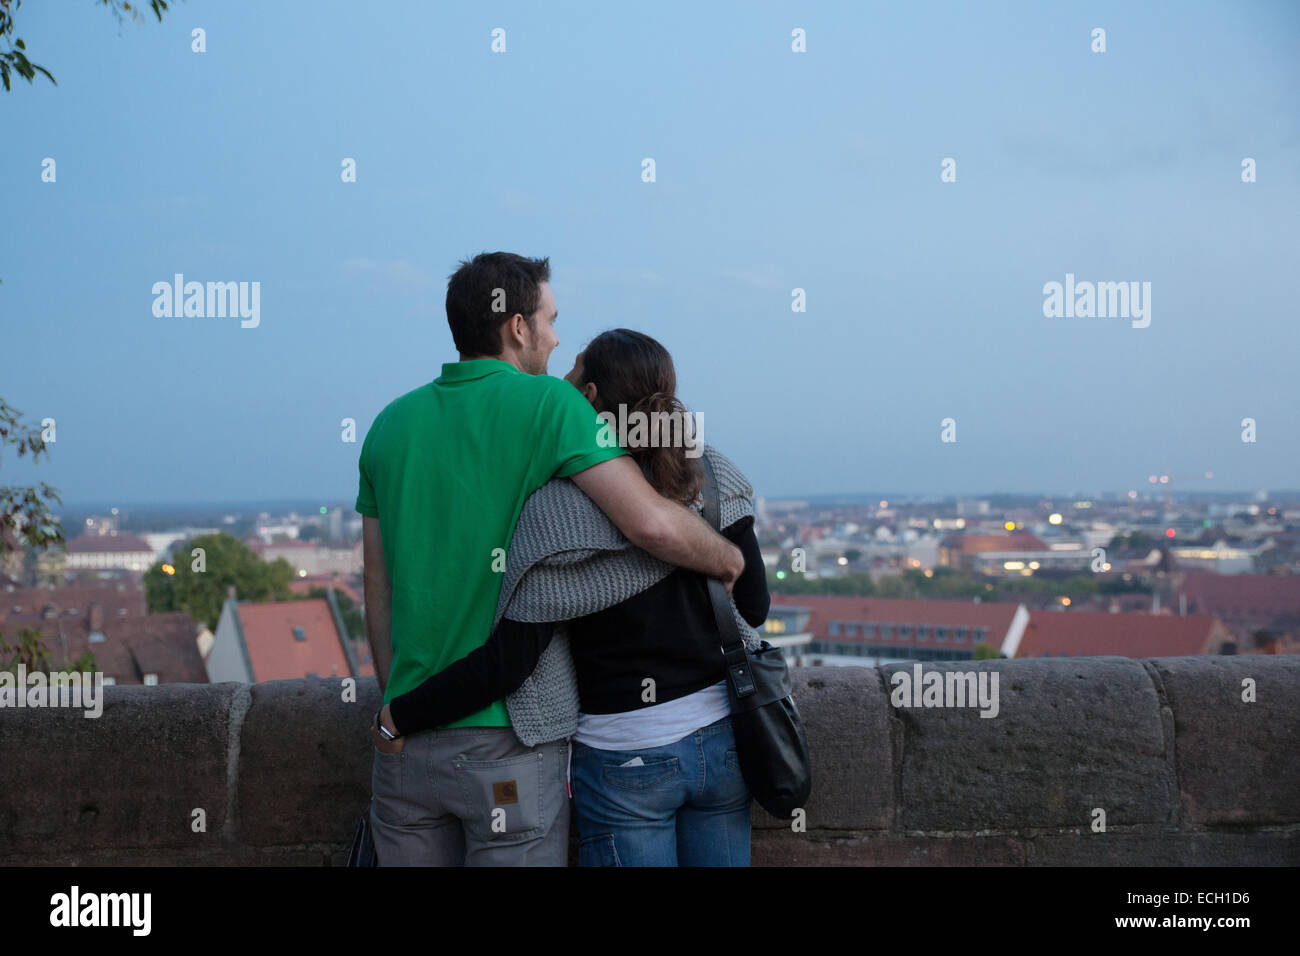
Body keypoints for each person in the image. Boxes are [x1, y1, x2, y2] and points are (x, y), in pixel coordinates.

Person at [358, 256, 745, 866]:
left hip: (407, 739)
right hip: (512, 738)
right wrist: (725, 556)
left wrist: (395, 706)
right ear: (516, 327)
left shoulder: (387, 425)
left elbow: (376, 589)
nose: (558, 336)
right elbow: (646, 520)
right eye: (551, 319)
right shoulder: (551, 406)